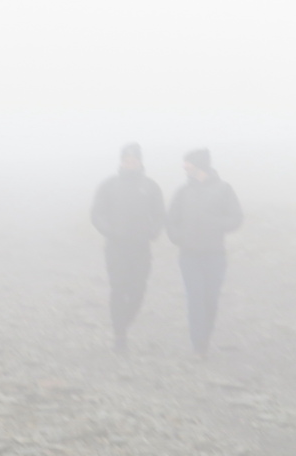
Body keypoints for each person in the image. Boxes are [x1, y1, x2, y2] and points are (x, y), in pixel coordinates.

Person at [166, 148, 243, 358]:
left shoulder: (224, 189)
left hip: (215, 255)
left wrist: (215, 223)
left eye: (188, 164)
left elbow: (236, 218)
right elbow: (171, 220)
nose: (184, 167)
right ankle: (198, 346)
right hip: (189, 255)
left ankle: (205, 339)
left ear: (199, 165)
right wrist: (178, 238)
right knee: (195, 298)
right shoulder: (183, 192)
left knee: (210, 299)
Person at [91, 143, 165, 352]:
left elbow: (160, 214)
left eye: (134, 160)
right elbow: (96, 213)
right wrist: (110, 230)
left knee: (138, 289)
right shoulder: (109, 185)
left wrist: (153, 232)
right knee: (118, 287)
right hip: (115, 246)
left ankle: (123, 323)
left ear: (140, 161)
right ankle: (119, 335)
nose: (130, 164)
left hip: (141, 247)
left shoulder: (150, 186)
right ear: (121, 162)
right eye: (126, 160)